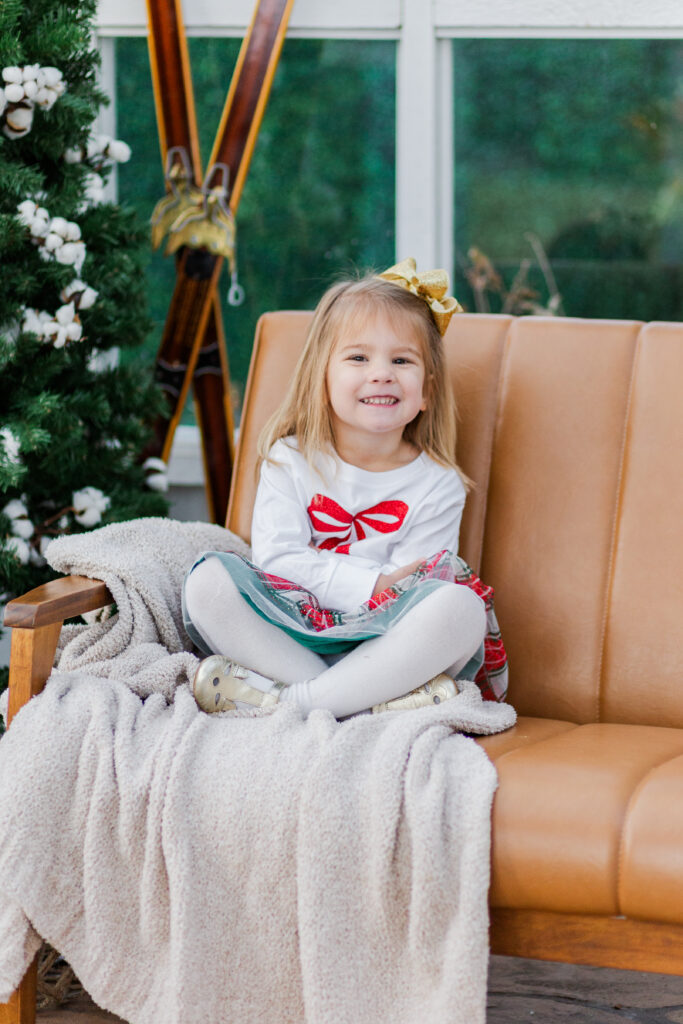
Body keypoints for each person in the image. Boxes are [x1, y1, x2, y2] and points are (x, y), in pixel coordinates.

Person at [182, 258, 494, 718]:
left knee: (461, 608)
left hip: (385, 647)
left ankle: (293, 702)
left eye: (402, 360)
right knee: (206, 581)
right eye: (359, 358)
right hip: (289, 630)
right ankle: (359, 707)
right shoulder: (290, 459)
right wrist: (376, 581)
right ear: (322, 378)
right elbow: (278, 563)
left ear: (427, 391)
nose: (381, 373)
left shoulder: (438, 485)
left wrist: (341, 576)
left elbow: (415, 594)